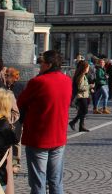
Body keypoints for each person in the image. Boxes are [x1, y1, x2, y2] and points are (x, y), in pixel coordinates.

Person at [17, 50, 72, 194]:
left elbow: (21, 101)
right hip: (59, 135)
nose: (39, 66)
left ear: (48, 64)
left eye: (41, 63)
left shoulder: (38, 81)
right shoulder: (67, 80)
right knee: (56, 181)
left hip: (39, 137)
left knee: (38, 182)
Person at [69, 60, 91, 132]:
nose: (88, 69)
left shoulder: (83, 75)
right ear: (84, 68)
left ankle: (81, 126)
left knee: (82, 111)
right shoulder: (81, 76)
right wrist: (89, 86)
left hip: (84, 96)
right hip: (81, 96)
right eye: (88, 67)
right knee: (84, 111)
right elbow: (80, 88)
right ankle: (74, 122)